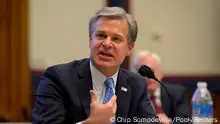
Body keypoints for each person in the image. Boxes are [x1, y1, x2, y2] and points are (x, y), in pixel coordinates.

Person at [32, 7, 160, 124]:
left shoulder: (136, 84)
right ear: (90, 40)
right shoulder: (58, 78)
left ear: (129, 48)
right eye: (101, 35)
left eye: (116, 39)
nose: (107, 44)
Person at [133, 50, 191, 124]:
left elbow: (185, 121)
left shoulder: (177, 93)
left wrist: (169, 123)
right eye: (144, 73)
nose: (149, 77)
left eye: (153, 71)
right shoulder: (132, 96)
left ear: (161, 72)